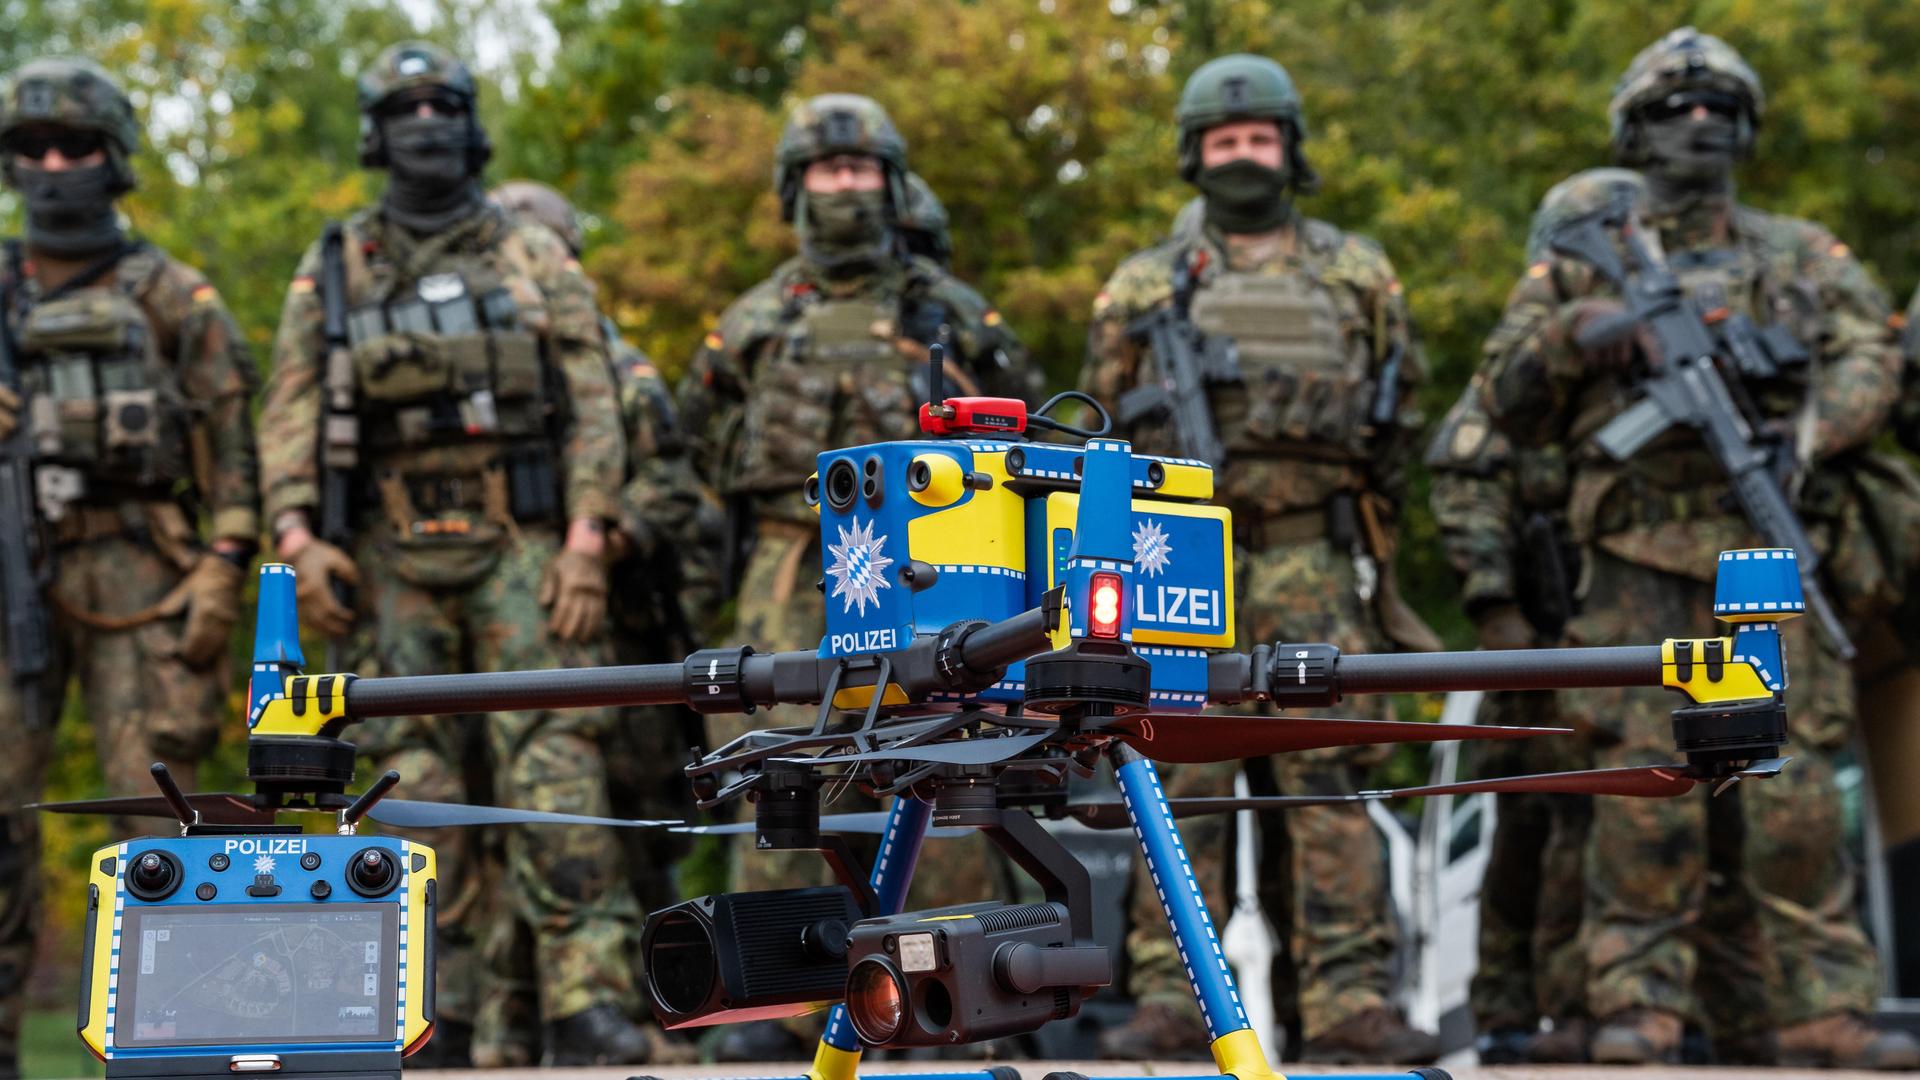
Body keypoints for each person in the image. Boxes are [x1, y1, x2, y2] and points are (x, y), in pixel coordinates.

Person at [1473, 28, 1918, 1069]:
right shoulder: (1578, 254)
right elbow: (1504, 399)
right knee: (1641, 787)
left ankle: (1816, 1005)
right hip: (1632, 555)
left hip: (1763, 546)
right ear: (1636, 129)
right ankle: (1635, 1006)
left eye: (1720, 107)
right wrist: (1584, 331)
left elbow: (1870, 359)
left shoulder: (1801, 254)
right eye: (1677, 109)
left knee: (1793, 781)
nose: (1701, 123)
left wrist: (1809, 433)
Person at [257, 43, 657, 1067]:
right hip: (385, 556)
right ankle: (429, 1008)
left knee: (555, 771)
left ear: (468, 123)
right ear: (376, 132)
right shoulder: (336, 261)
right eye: (404, 108)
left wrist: (586, 539)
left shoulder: (531, 251)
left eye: (442, 104)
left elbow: (594, 397)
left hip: (524, 546)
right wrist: (298, 539)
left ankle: (588, 1005)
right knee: (407, 788)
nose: (424, 123)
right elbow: (290, 405)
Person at [1082, 53, 1440, 1065]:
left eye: (1261, 139)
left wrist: (1367, 543)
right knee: (1175, 773)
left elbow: (1396, 418)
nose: (1245, 156)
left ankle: (1349, 999)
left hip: (1313, 558)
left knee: (1327, 778)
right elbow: (1096, 436)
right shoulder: (1145, 285)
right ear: (1196, 155)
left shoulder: (1355, 273)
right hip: (1177, 555)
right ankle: (1170, 995)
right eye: (1226, 142)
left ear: (1291, 149)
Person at [677, 92, 1035, 1061]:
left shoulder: (952, 316)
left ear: (893, 182)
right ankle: (776, 1001)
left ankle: (972, 993)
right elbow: (690, 453)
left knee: (958, 757)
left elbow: (1027, 441)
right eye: (829, 173)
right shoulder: (752, 322)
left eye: (863, 171)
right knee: (780, 767)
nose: (847, 189)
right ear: (798, 188)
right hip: (791, 563)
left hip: (935, 570)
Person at [0, 56, 259, 1079]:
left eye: (77, 148)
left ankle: (169, 1049)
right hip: (11, 564)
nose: (55, 166)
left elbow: (240, 447)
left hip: (144, 575)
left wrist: (223, 567)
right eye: (33, 150)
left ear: (116, 160)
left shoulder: (173, 294)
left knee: (155, 816)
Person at [475, 178, 715, 1068]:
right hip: (502, 627)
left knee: (623, 832)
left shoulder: (621, 371)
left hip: (618, 637)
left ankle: (641, 1010)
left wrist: (611, 533)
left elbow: (675, 492)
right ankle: (497, 1024)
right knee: (500, 830)